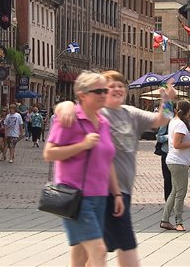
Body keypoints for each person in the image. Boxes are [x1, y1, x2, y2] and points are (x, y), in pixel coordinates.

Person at [57, 71, 172, 266]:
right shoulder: (97, 113)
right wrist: (64, 104)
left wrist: (167, 101)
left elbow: (163, 120)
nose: (118, 89)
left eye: (121, 85)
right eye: (112, 86)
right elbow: (74, 108)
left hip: (121, 191)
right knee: (116, 246)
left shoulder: (131, 113)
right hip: (101, 190)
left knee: (90, 252)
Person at [43, 71, 124, 267]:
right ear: (82, 95)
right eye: (98, 91)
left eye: (105, 90)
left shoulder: (103, 122)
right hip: (76, 197)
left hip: (99, 197)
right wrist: (82, 145)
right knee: (99, 251)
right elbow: (49, 153)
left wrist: (117, 193)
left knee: (80, 258)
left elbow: (107, 160)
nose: (104, 94)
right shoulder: (70, 118)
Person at [160, 100, 190, 232]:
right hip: (178, 161)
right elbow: (177, 145)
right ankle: (179, 221)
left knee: (174, 191)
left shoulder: (174, 121)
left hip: (175, 160)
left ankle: (165, 220)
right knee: (180, 193)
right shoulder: (180, 125)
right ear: (188, 111)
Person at [155, 125, 172, 201]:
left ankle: (177, 202)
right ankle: (168, 201)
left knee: (178, 181)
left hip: (180, 154)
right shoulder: (167, 121)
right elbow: (159, 137)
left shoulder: (185, 119)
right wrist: (170, 136)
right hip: (167, 152)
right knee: (168, 178)